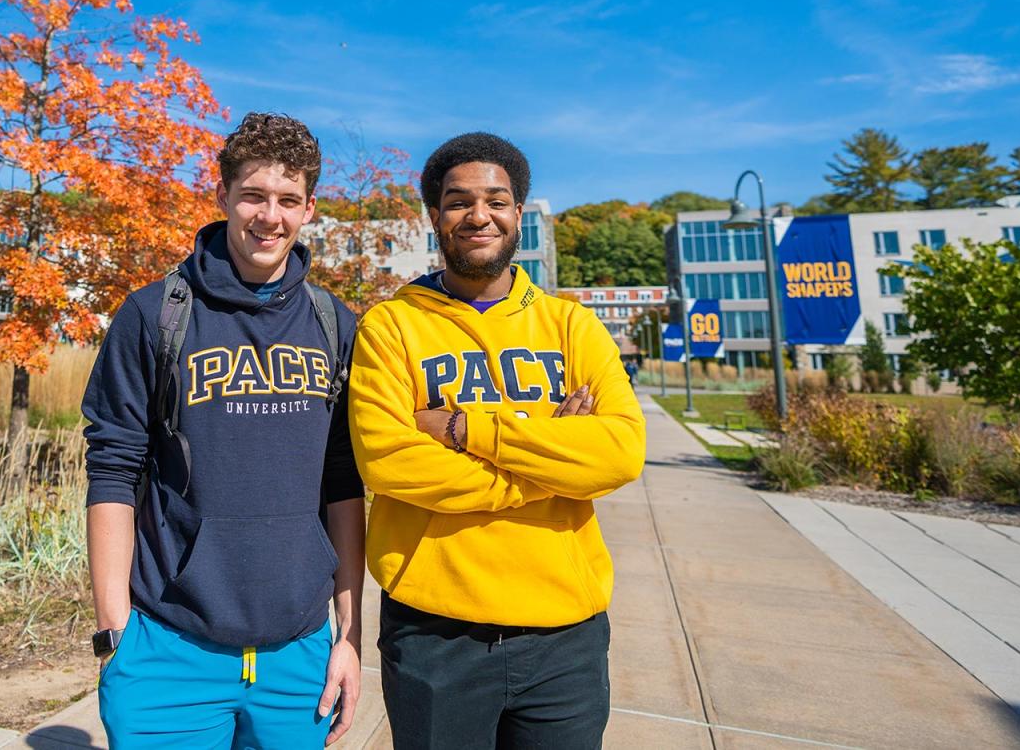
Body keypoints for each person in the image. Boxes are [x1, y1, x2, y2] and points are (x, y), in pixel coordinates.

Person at [348, 132, 646, 749]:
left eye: (496, 200)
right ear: (435, 216)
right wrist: (553, 461)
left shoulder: (571, 325)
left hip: (566, 635)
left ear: (517, 214)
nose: (478, 215)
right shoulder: (391, 327)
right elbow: (390, 463)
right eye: (458, 202)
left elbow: (619, 452)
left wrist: (466, 429)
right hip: (436, 636)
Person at [82, 112, 364, 749]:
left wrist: (348, 639)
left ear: (309, 208)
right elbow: (113, 470)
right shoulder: (153, 314)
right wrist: (113, 631)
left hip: (299, 655)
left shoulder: (333, 323)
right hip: (168, 650)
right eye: (254, 196)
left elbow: (344, 483)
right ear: (223, 197)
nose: (271, 217)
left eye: (288, 200)